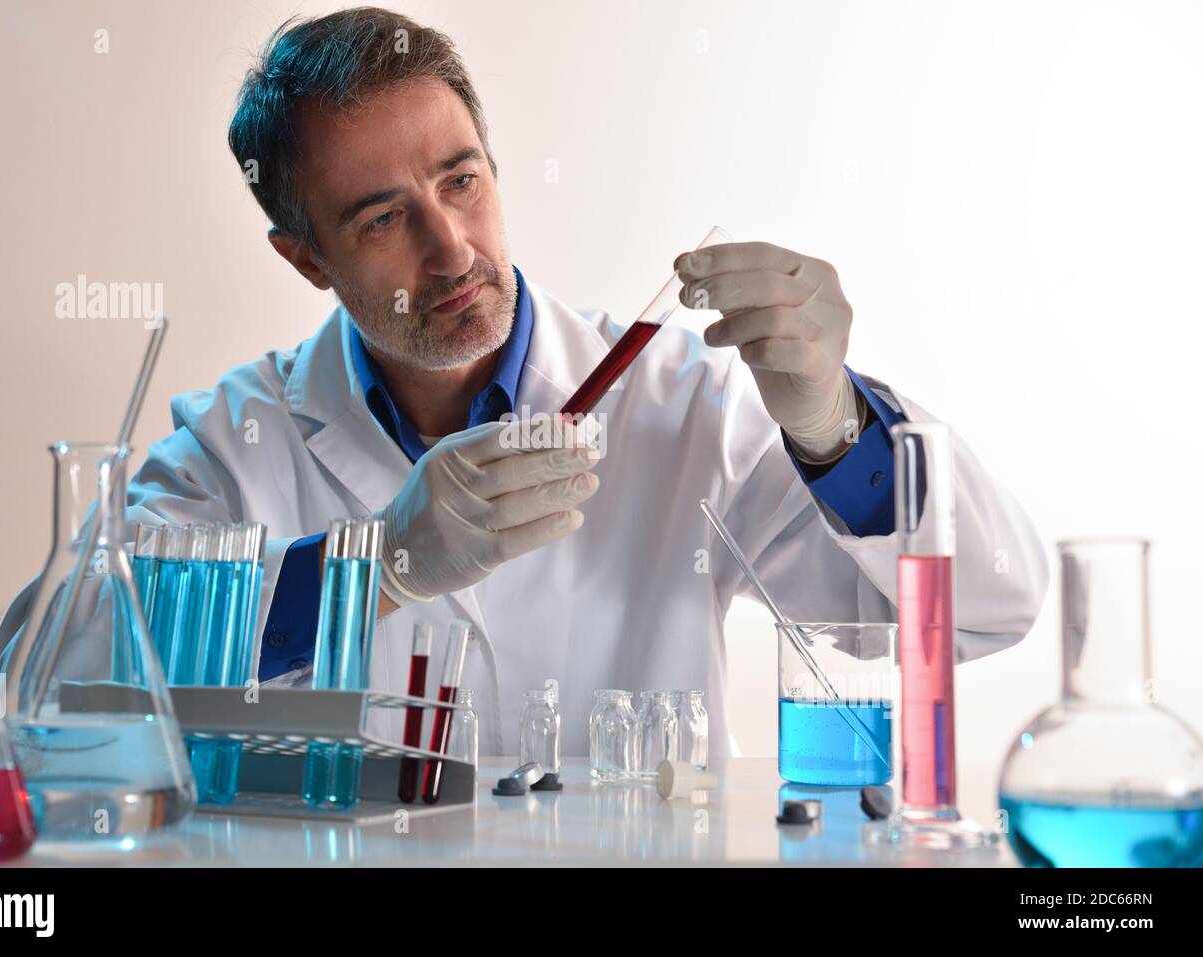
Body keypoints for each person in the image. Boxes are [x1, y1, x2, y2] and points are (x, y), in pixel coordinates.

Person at [95, 8, 1046, 755]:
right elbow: (68, 677)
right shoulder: (236, 440)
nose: (452, 248)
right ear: (305, 258)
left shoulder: (685, 404)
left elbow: (985, 612)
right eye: (384, 218)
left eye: (461, 180)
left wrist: (835, 429)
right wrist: (374, 565)